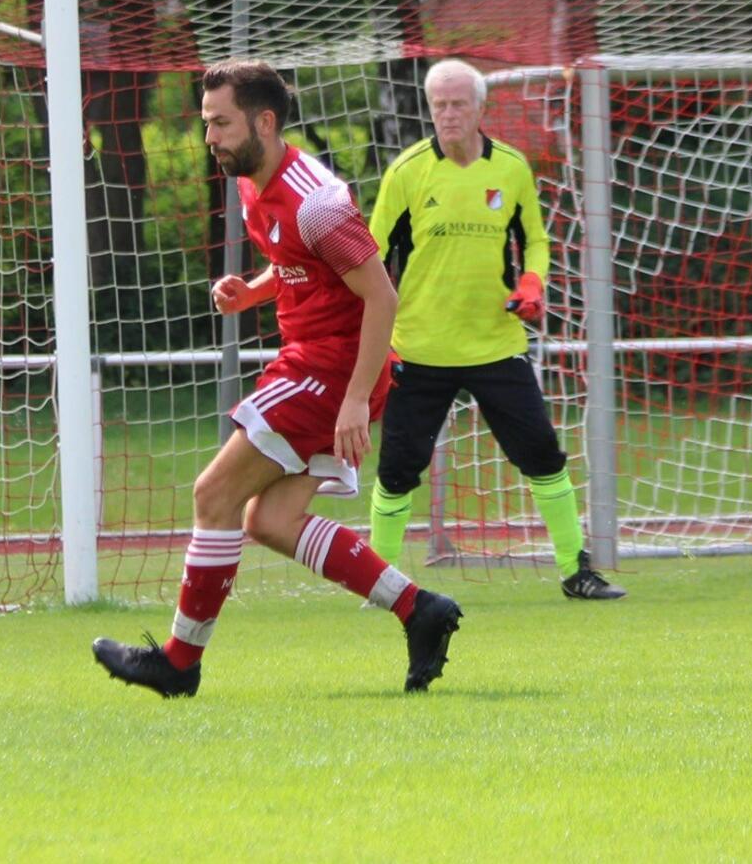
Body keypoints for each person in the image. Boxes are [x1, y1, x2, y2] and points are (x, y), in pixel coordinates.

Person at [92, 59, 463, 697]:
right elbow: (299, 265)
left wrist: (351, 402)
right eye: (206, 123)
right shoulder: (247, 176)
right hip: (316, 360)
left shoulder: (318, 204)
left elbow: (382, 298)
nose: (209, 137)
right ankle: (420, 609)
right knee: (271, 521)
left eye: (221, 123)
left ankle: (179, 663)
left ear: (264, 122)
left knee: (214, 495)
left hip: (334, 366)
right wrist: (253, 292)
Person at [364, 59, 624, 599]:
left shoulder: (511, 167)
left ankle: (577, 572)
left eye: (459, 104)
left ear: (482, 108)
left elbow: (536, 239)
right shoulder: (407, 171)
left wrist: (532, 280)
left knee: (543, 456)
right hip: (419, 347)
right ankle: (380, 584)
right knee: (396, 470)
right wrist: (373, 336)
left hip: (497, 345)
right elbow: (367, 253)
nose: (449, 114)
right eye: (439, 105)